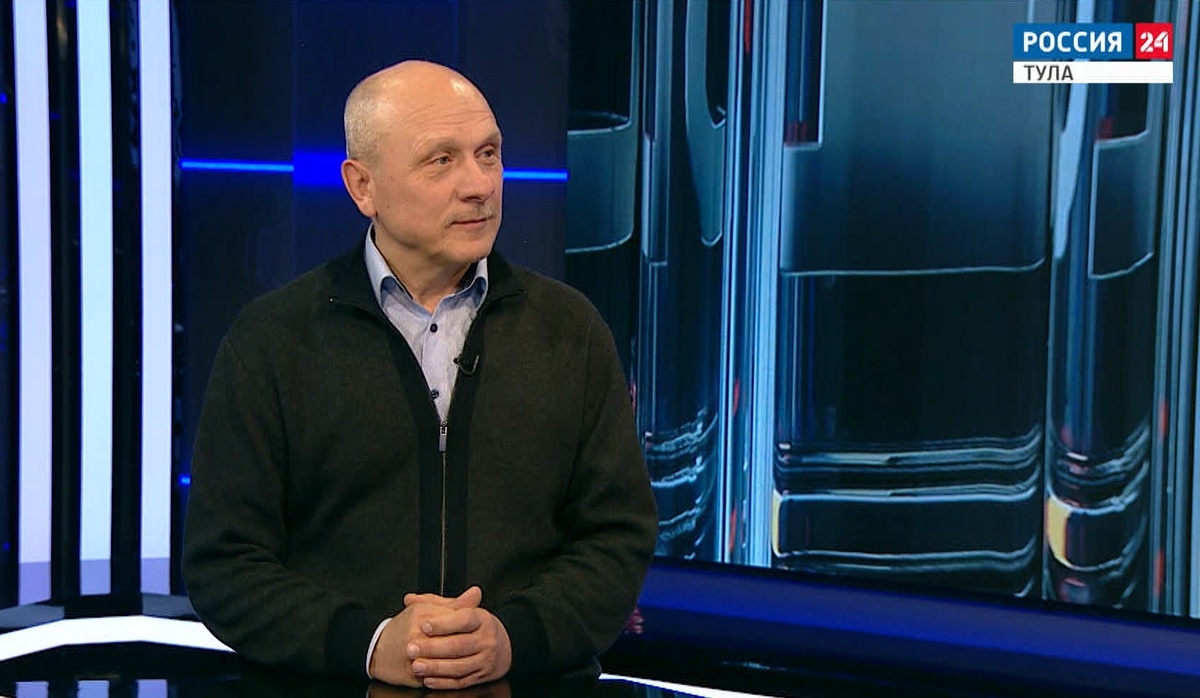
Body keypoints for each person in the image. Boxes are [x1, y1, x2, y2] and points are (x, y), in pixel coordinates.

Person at [181, 60, 658, 691]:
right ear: (363, 186)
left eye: (489, 154)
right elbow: (224, 564)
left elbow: (617, 537)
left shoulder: (569, 331)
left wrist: (512, 637)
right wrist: (371, 644)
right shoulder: (273, 341)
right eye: (441, 160)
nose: (479, 185)